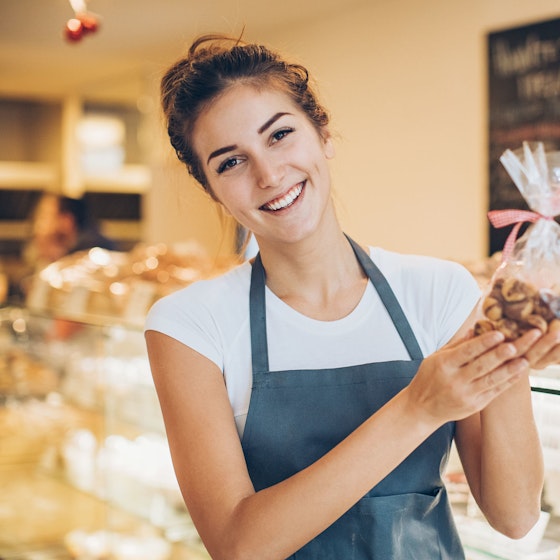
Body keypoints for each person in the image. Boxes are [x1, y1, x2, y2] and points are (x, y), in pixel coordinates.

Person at [144, 34, 559, 560]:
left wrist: (511, 349)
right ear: (211, 188)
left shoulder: (439, 292)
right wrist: (418, 407)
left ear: (323, 133)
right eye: (230, 162)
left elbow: (515, 516)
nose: (269, 175)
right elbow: (238, 544)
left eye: (280, 135)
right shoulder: (189, 326)